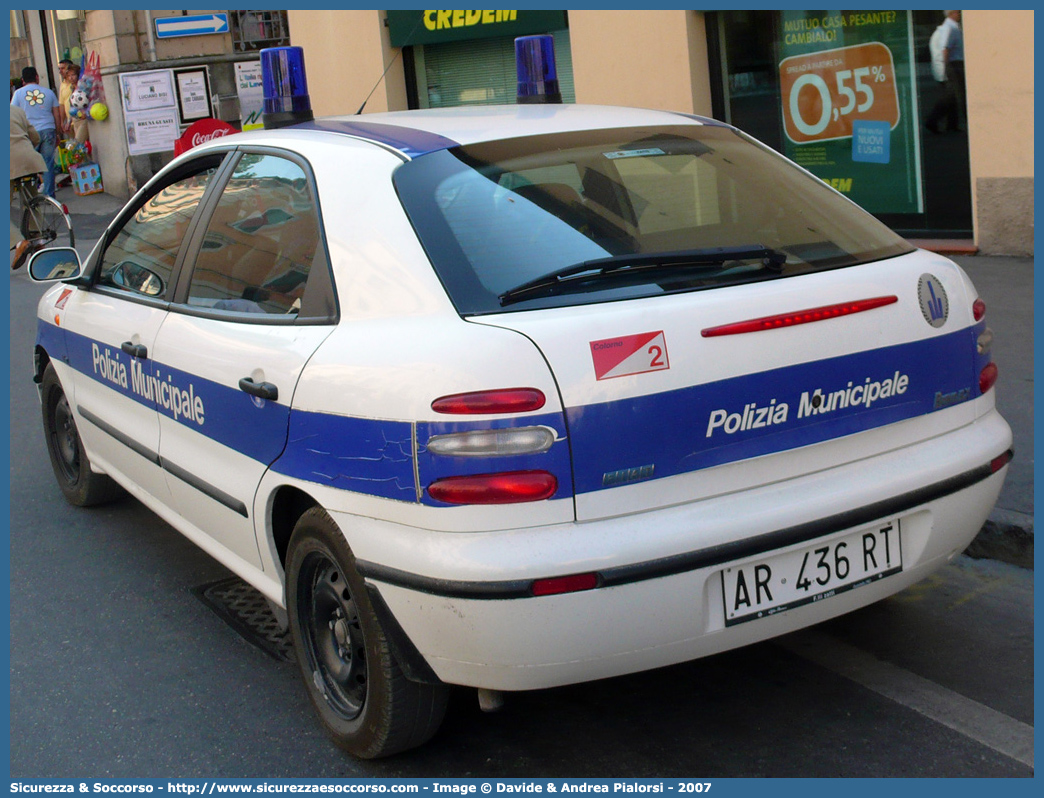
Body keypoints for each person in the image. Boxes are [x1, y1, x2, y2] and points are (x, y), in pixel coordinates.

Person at [10, 65, 61, 197]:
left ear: (22, 80)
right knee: (48, 163)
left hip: (30, 133)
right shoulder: (49, 92)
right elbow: (57, 114)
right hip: (49, 130)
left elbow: (14, 113)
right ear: (37, 77)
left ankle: (32, 196)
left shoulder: (18, 94)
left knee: (31, 166)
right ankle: (50, 195)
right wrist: (58, 132)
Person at [10, 104, 48, 269]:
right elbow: (35, 138)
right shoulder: (15, 110)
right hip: (30, 159)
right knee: (31, 202)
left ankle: (20, 243)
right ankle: (38, 240)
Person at [926, 10, 965, 134]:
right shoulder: (949, 29)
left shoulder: (950, 28)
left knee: (952, 96)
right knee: (951, 95)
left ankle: (952, 124)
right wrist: (948, 69)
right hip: (951, 66)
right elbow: (945, 49)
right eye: (958, 12)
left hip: (949, 65)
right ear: (952, 13)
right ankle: (932, 120)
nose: (960, 14)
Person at [58, 60, 89, 145]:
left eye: (73, 75)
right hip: (75, 120)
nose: (71, 78)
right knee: (80, 147)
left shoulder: (82, 87)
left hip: (83, 119)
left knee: (77, 143)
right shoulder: (71, 88)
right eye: (69, 76)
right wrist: (68, 122)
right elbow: (72, 107)